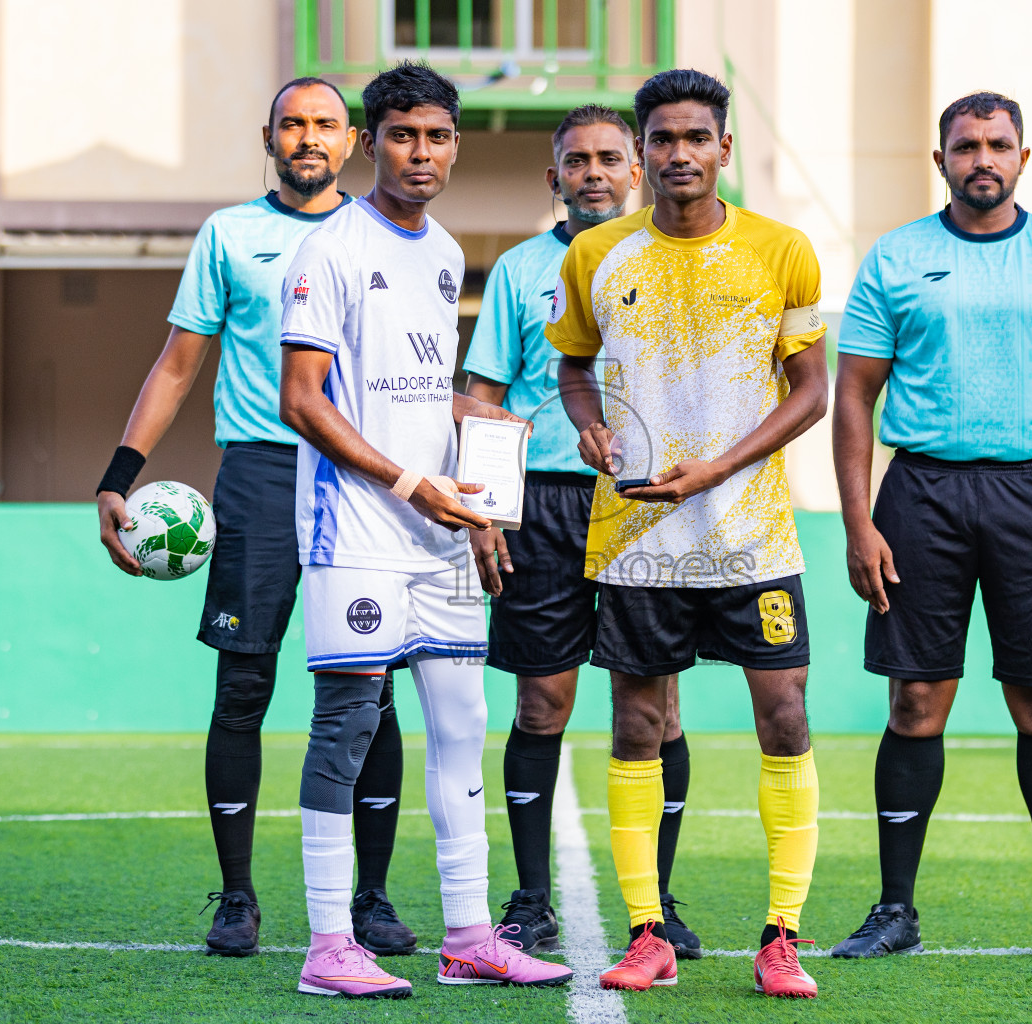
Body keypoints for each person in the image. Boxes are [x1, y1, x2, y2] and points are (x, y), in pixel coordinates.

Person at [93, 77, 415, 958]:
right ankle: (236, 898)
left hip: (360, 482)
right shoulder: (230, 235)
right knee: (243, 687)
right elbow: (176, 365)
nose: (307, 138)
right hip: (261, 478)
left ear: (351, 140)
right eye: (291, 125)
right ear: (267, 137)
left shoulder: (384, 234)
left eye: (322, 125)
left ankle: (373, 898)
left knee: (368, 690)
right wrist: (120, 475)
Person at [276, 61, 572, 998]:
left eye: (438, 136)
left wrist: (479, 486)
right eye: (402, 135)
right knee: (347, 728)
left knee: (462, 725)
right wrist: (411, 481)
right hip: (356, 527)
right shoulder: (326, 250)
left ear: (455, 146)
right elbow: (302, 400)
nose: (421, 152)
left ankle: (471, 935)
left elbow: (424, 392)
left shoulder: (445, 251)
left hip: (439, 532)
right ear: (370, 143)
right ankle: (329, 947)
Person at [831, 91, 1032, 963]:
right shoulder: (896, 259)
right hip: (919, 494)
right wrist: (859, 520)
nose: (981, 158)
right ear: (940, 161)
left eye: (997, 145)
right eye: (964, 146)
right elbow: (853, 395)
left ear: (1023, 158)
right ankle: (895, 910)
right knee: (915, 699)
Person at [550, 69, 828, 998]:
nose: (678, 155)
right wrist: (587, 422)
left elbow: (815, 392)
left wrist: (715, 469)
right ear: (641, 153)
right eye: (661, 140)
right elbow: (575, 367)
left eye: (695, 138)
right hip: (636, 538)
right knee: (636, 724)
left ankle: (781, 935)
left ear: (723, 149)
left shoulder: (783, 251)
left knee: (784, 719)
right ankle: (647, 932)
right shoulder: (595, 254)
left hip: (754, 537)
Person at [462, 104, 699, 958]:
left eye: (608, 157)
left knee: (657, 710)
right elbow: (482, 400)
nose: (593, 172)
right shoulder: (523, 271)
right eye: (575, 161)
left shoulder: (673, 260)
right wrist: (485, 510)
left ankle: (656, 903)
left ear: (636, 167)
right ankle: (529, 900)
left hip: (649, 504)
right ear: (552, 176)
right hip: (546, 507)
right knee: (542, 702)